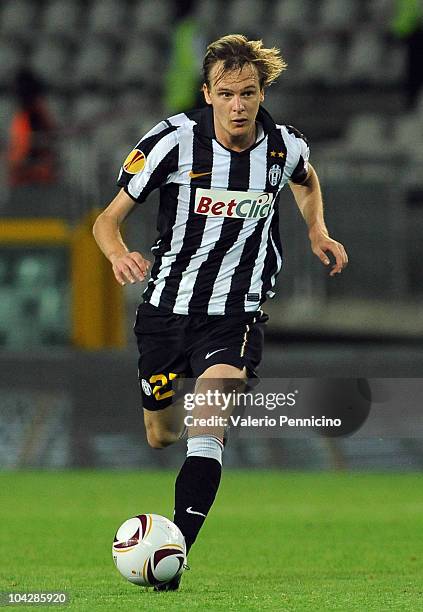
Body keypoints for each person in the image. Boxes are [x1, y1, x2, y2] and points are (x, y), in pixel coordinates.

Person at [93, 34, 348, 590]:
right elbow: (106, 221)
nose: (239, 106)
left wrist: (317, 229)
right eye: (227, 94)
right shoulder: (171, 142)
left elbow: (306, 180)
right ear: (207, 93)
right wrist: (118, 254)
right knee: (161, 435)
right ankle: (188, 433)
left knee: (210, 418)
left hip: (237, 311)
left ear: (262, 92)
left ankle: (172, 555)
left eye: (249, 93)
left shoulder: (284, 145)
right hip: (165, 310)